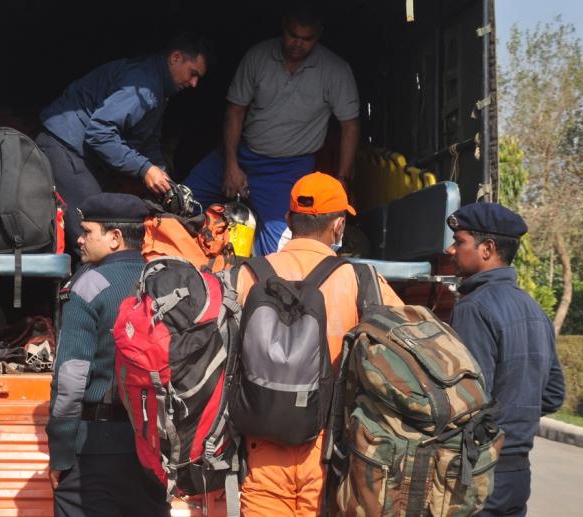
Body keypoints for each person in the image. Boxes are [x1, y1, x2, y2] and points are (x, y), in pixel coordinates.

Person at [233, 172, 402, 516]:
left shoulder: (246, 274)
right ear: (339, 225)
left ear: (288, 219)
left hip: (261, 444)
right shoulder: (361, 280)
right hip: (331, 449)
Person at [183, 2, 360, 255]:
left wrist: (342, 180)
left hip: (288, 168)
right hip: (240, 153)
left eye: (306, 38)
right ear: (283, 27)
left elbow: (350, 126)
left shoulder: (336, 71)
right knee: (182, 201)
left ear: (318, 34)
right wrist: (231, 164)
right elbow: (235, 111)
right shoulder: (258, 56)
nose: (297, 43)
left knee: (282, 248)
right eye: (292, 35)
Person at [46, 193, 169, 516]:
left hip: (97, 447)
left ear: (115, 238)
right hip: (157, 444)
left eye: (88, 231)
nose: (79, 238)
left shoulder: (87, 286)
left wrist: (60, 452)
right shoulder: (166, 281)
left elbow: (70, 379)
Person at [37, 33, 211, 259]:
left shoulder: (159, 90)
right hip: (63, 146)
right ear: (175, 58)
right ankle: (87, 291)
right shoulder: (144, 86)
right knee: (96, 236)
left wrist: (163, 177)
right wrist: (145, 169)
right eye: (193, 73)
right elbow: (99, 133)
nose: (194, 83)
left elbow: (147, 142)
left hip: (81, 151)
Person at [445, 203, 566, 517]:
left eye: (459, 241)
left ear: (487, 249)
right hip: (517, 475)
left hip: (479, 471)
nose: (451, 249)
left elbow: (467, 400)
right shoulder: (534, 309)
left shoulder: (474, 307)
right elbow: (553, 395)